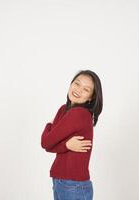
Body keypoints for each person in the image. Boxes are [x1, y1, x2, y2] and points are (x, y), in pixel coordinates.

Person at [41, 69, 103, 200]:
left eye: (86, 89)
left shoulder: (79, 114)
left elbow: (46, 142)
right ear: (71, 84)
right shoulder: (63, 109)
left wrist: (49, 125)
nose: (79, 90)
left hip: (74, 185)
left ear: (91, 97)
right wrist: (67, 145)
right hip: (61, 182)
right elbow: (47, 146)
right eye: (77, 83)